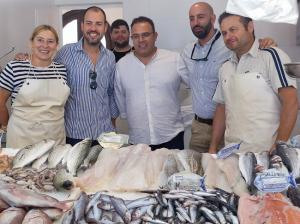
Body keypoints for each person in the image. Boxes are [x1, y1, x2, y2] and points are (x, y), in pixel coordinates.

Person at [178, 2, 276, 153]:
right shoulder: (187, 51)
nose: (196, 22)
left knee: (229, 173)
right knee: (196, 172)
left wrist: (266, 41)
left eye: (201, 17)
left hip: (230, 128)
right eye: (192, 18)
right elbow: (188, 81)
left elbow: (250, 45)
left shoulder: (230, 43)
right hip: (199, 128)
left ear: (212, 18)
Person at [208, 12, 298, 154]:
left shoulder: (272, 55)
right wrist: (213, 147)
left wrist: (279, 146)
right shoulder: (225, 66)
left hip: (265, 153)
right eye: (224, 33)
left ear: (250, 27)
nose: (228, 37)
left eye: (233, 30)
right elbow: (221, 107)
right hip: (231, 153)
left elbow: (291, 102)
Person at [114, 16, 186, 150]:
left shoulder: (174, 59)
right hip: (139, 140)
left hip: (172, 136)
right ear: (131, 38)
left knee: (175, 172)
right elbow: (121, 100)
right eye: (136, 36)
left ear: (155, 36)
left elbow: (192, 87)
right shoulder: (121, 66)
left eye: (145, 35)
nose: (141, 40)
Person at [54, 6, 119, 146]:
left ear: (105, 27)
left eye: (98, 24)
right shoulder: (65, 53)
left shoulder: (110, 57)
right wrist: (27, 59)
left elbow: (111, 92)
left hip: (104, 133)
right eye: (89, 23)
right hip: (74, 134)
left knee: (105, 168)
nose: (93, 28)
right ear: (82, 26)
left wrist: (112, 124)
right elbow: (48, 77)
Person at [0, 25, 70, 148]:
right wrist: (5, 126)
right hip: (21, 139)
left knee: (53, 168)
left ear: (56, 45)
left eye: (50, 41)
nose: (45, 45)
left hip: (55, 139)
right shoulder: (15, 67)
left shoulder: (61, 69)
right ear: (31, 43)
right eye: (40, 40)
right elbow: (0, 101)